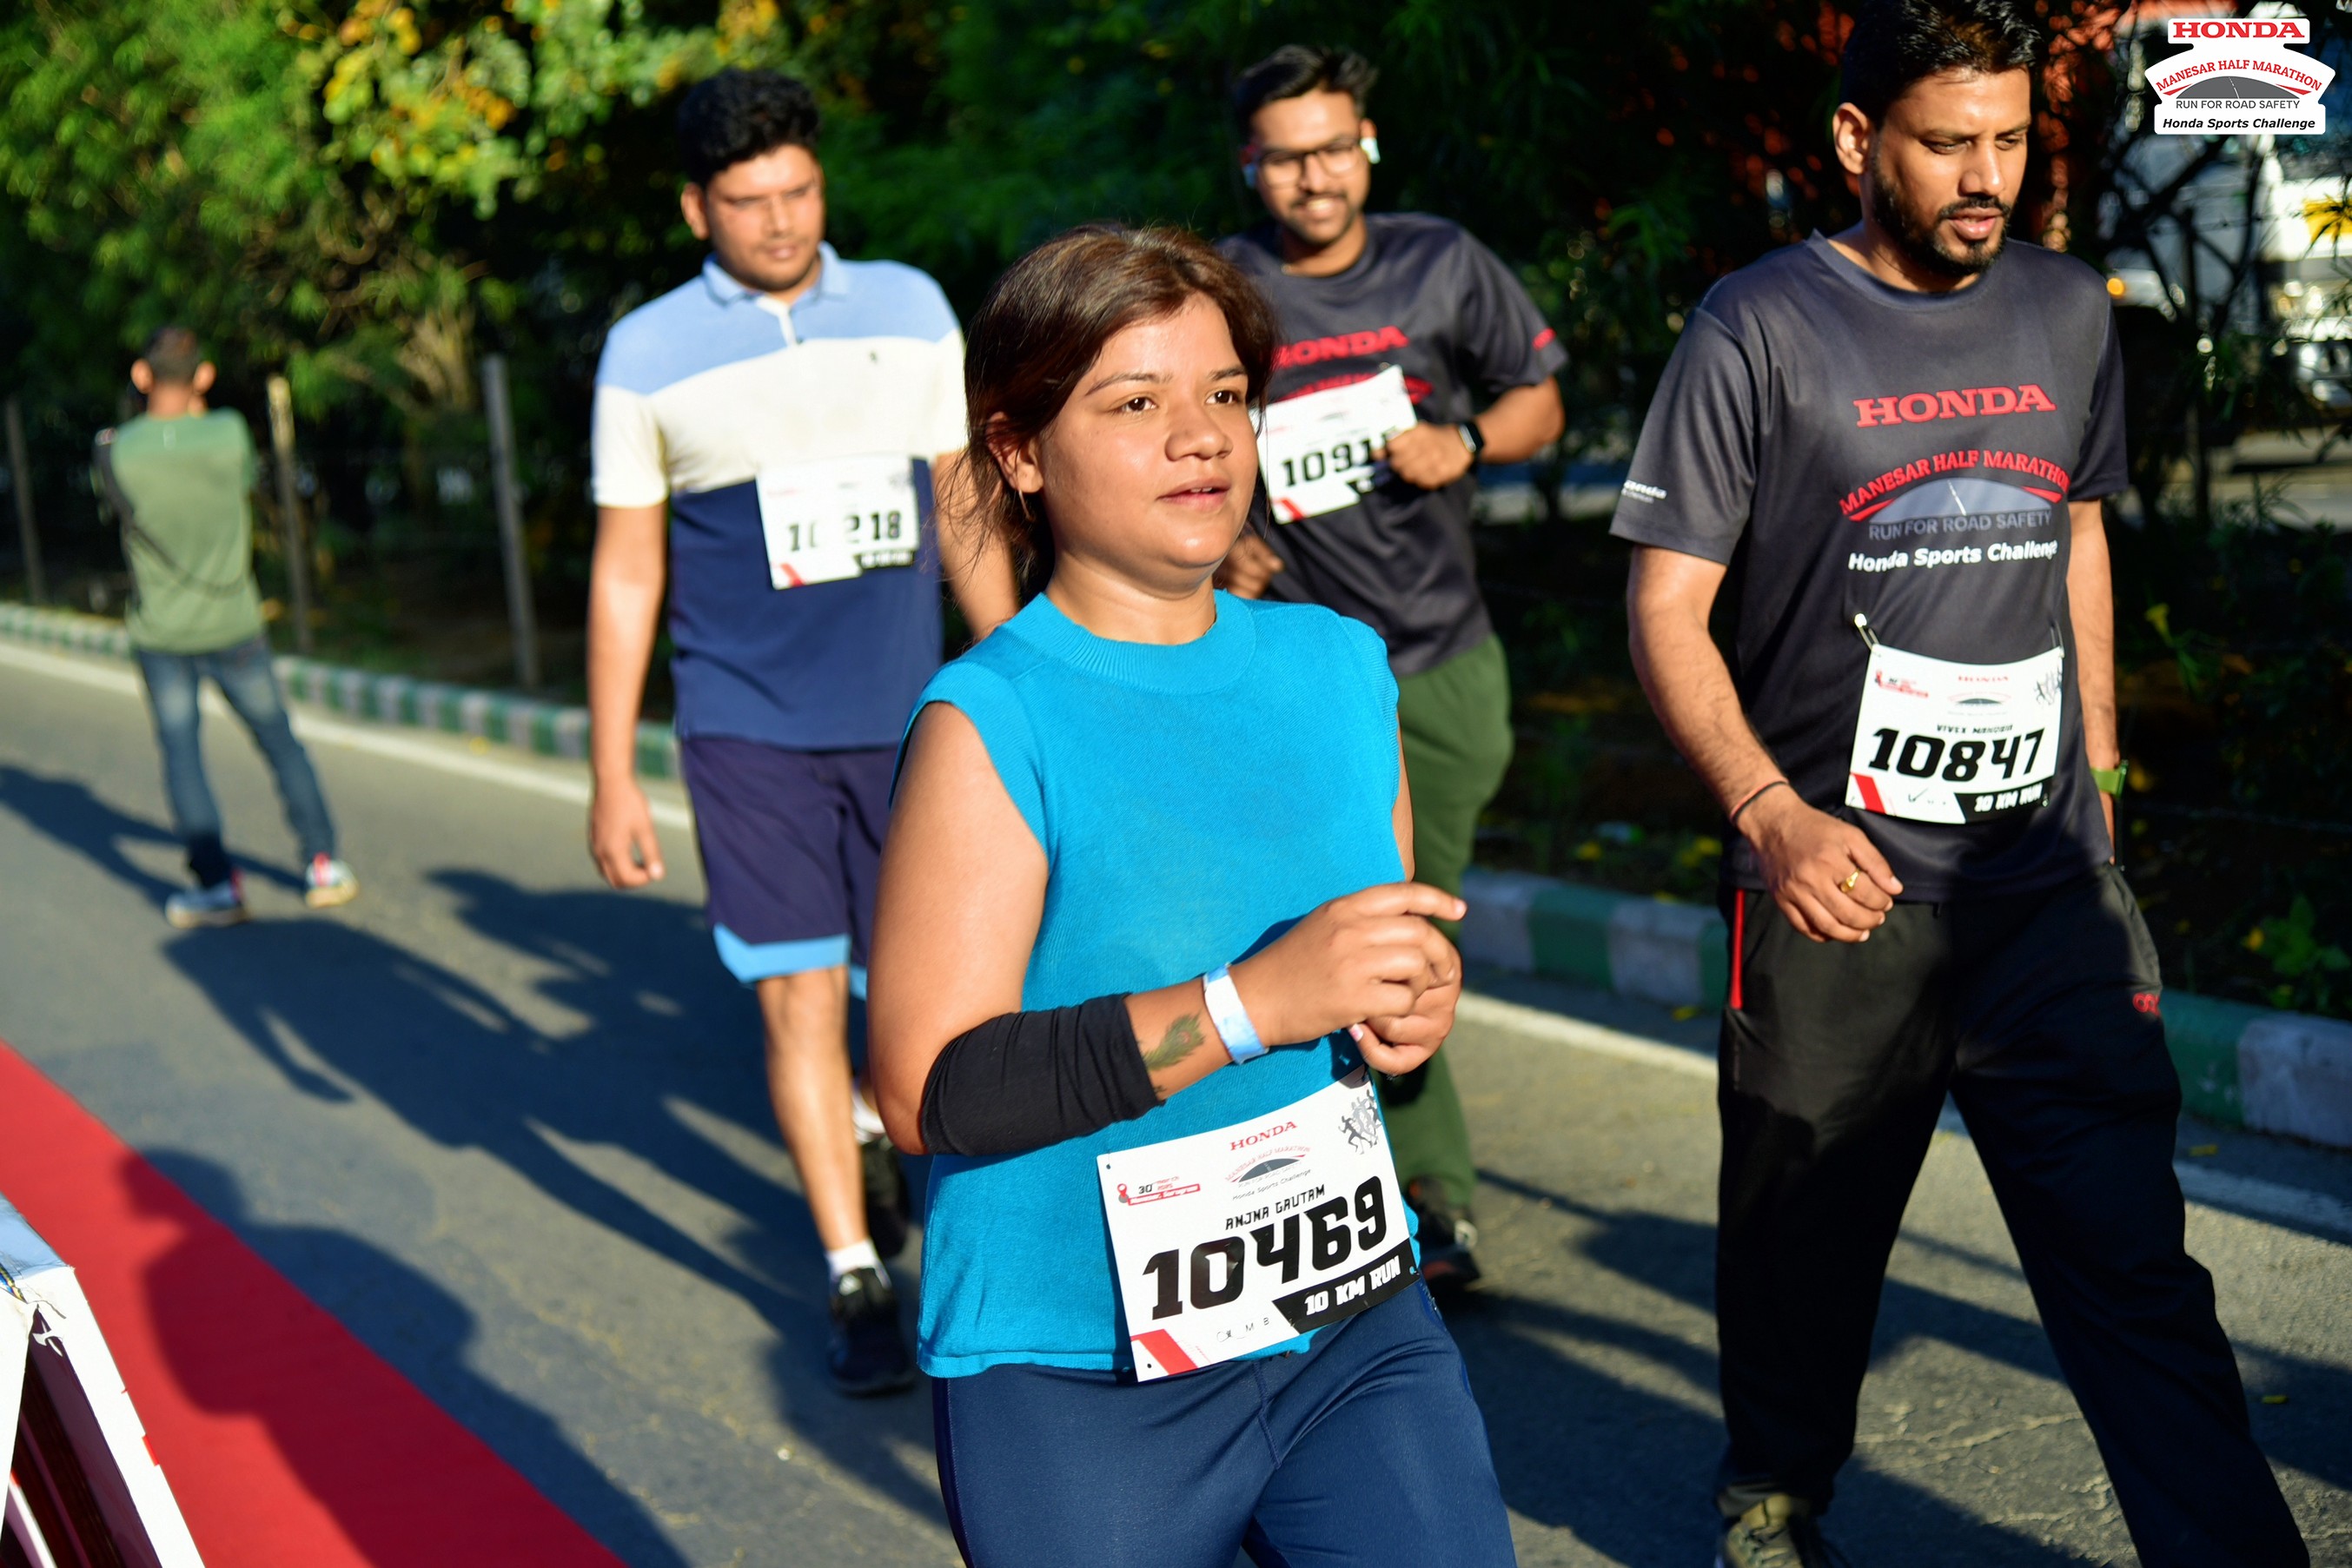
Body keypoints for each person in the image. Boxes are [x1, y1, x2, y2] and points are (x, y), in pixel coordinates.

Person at [1610, 3, 2309, 1565]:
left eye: (2008, 139)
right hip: (1837, 896)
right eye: (1945, 144)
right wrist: (1769, 817)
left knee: (2132, 1268)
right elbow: (1663, 607)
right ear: (1857, 140)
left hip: (2042, 890)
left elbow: (2075, 532)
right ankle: (1773, 1496)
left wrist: (2101, 769)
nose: (1985, 176)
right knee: (1801, 1253)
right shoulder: (1754, 326)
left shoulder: (2064, 308)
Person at [867, 226, 1516, 1567]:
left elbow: (1367, 957)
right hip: (1081, 1367)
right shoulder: (989, 720)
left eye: (1223, 392)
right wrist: (1245, 1005)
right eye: (1133, 402)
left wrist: (1404, 1000)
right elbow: (928, 1088)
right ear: (1018, 451)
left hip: (1346, 1317)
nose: (1200, 436)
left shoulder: (1340, 664)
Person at [585, 68, 1017, 1397]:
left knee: (929, 996)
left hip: (912, 727)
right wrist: (610, 774)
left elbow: (961, 505)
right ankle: (851, 1271)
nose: (778, 220)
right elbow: (626, 569)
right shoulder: (645, 350)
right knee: (798, 998)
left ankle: (927, 1192)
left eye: (798, 190)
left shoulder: (908, 306)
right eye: (746, 200)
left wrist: (1020, 672)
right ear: (694, 209)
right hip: (745, 733)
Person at [1214, 44, 1567, 1292]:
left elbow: (1539, 403)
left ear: (1366, 145)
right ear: (1249, 166)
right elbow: (1176, 435)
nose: (1313, 177)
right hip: (1293, 672)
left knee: (1405, 925)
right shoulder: (1222, 288)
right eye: (1285, 158)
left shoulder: (1437, 261)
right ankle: (1421, 1197)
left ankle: (1381, 1184)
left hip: (1443, 664)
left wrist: (1460, 440)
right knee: (1354, 928)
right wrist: (1223, 542)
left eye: (1333, 148)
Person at [96, 327, 358, 929]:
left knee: (182, 755)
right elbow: (239, 480)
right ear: (204, 375)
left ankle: (217, 886)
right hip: (236, 624)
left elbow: (112, 507)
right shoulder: (228, 433)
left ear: (141, 375)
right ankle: (323, 864)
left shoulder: (115, 450)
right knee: (279, 742)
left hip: (162, 635)